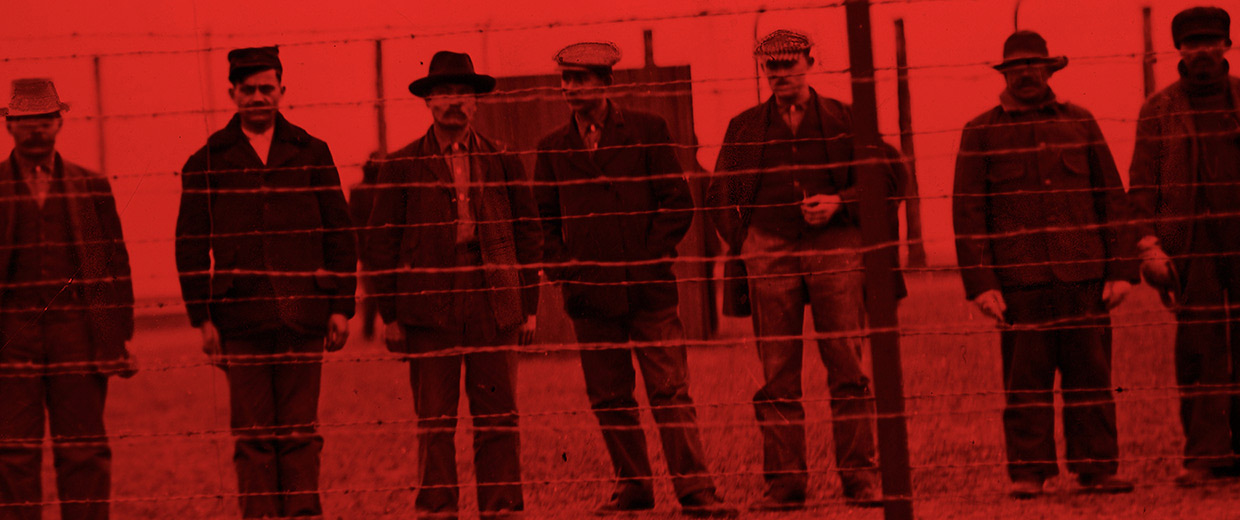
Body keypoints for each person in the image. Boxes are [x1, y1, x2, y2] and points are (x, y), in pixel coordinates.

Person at [534, 41, 734, 517]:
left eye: (580, 79)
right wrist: (570, 270)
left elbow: (677, 202)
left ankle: (697, 494)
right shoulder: (551, 149)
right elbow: (541, 222)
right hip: (591, 299)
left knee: (669, 392)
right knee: (609, 397)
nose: (570, 89)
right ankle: (633, 489)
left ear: (606, 83)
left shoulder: (648, 131)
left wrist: (646, 259)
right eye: (565, 79)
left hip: (649, 294)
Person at [707, 29, 900, 510]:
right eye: (770, 67)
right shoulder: (745, 127)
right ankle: (785, 486)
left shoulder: (846, 118)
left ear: (810, 63)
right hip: (769, 252)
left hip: (836, 250)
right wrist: (746, 242)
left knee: (847, 366)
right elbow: (717, 196)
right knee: (777, 374)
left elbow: (890, 177)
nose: (778, 75)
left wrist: (841, 202)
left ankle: (861, 480)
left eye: (788, 64)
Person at [174, 46, 356, 518]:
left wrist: (340, 305)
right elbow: (190, 245)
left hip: (304, 315)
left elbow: (340, 231)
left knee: (299, 433)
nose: (258, 97)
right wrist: (202, 318)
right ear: (232, 93)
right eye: (248, 89)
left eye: (267, 88)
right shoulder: (208, 160)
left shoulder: (311, 151)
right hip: (240, 318)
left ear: (282, 91)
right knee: (253, 437)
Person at [953, 31, 1137, 498]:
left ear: (1051, 70)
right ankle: (1029, 473)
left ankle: (1097, 467)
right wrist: (982, 284)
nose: (1027, 74)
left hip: (1084, 279)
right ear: (1006, 74)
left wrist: (1120, 269)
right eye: (1017, 68)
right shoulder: (981, 131)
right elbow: (969, 213)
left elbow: (1111, 200)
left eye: (1036, 66)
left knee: (1091, 376)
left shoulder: (1081, 122)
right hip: (1021, 285)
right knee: (1025, 382)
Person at [366, 50, 539, 520]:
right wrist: (391, 314)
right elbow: (380, 245)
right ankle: (438, 509)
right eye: (443, 93)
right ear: (428, 102)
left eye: (463, 93)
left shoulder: (503, 159)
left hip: (492, 301)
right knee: (435, 420)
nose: (453, 103)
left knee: (497, 417)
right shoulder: (402, 166)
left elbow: (528, 233)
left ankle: (502, 509)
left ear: (477, 101)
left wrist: (528, 306)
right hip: (429, 307)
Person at [0, 78, 136, 520]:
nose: (35, 128)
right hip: (9, 336)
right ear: (9, 127)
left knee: (83, 450)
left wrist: (119, 336)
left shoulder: (89, 186)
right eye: (25, 120)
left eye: (44, 118)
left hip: (76, 332)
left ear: (59, 122)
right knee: (11, 453)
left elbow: (114, 265)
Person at [1130, 6, 1240, 487]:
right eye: (1192, 43)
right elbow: (1141, 186)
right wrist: (1149, 246)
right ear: (1179, 49)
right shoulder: (1159, 109)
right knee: (1200, 348)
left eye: (1211, 41)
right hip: (1190, 249)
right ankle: (1205, 455)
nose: (1202, 51)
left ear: (1227, 47)